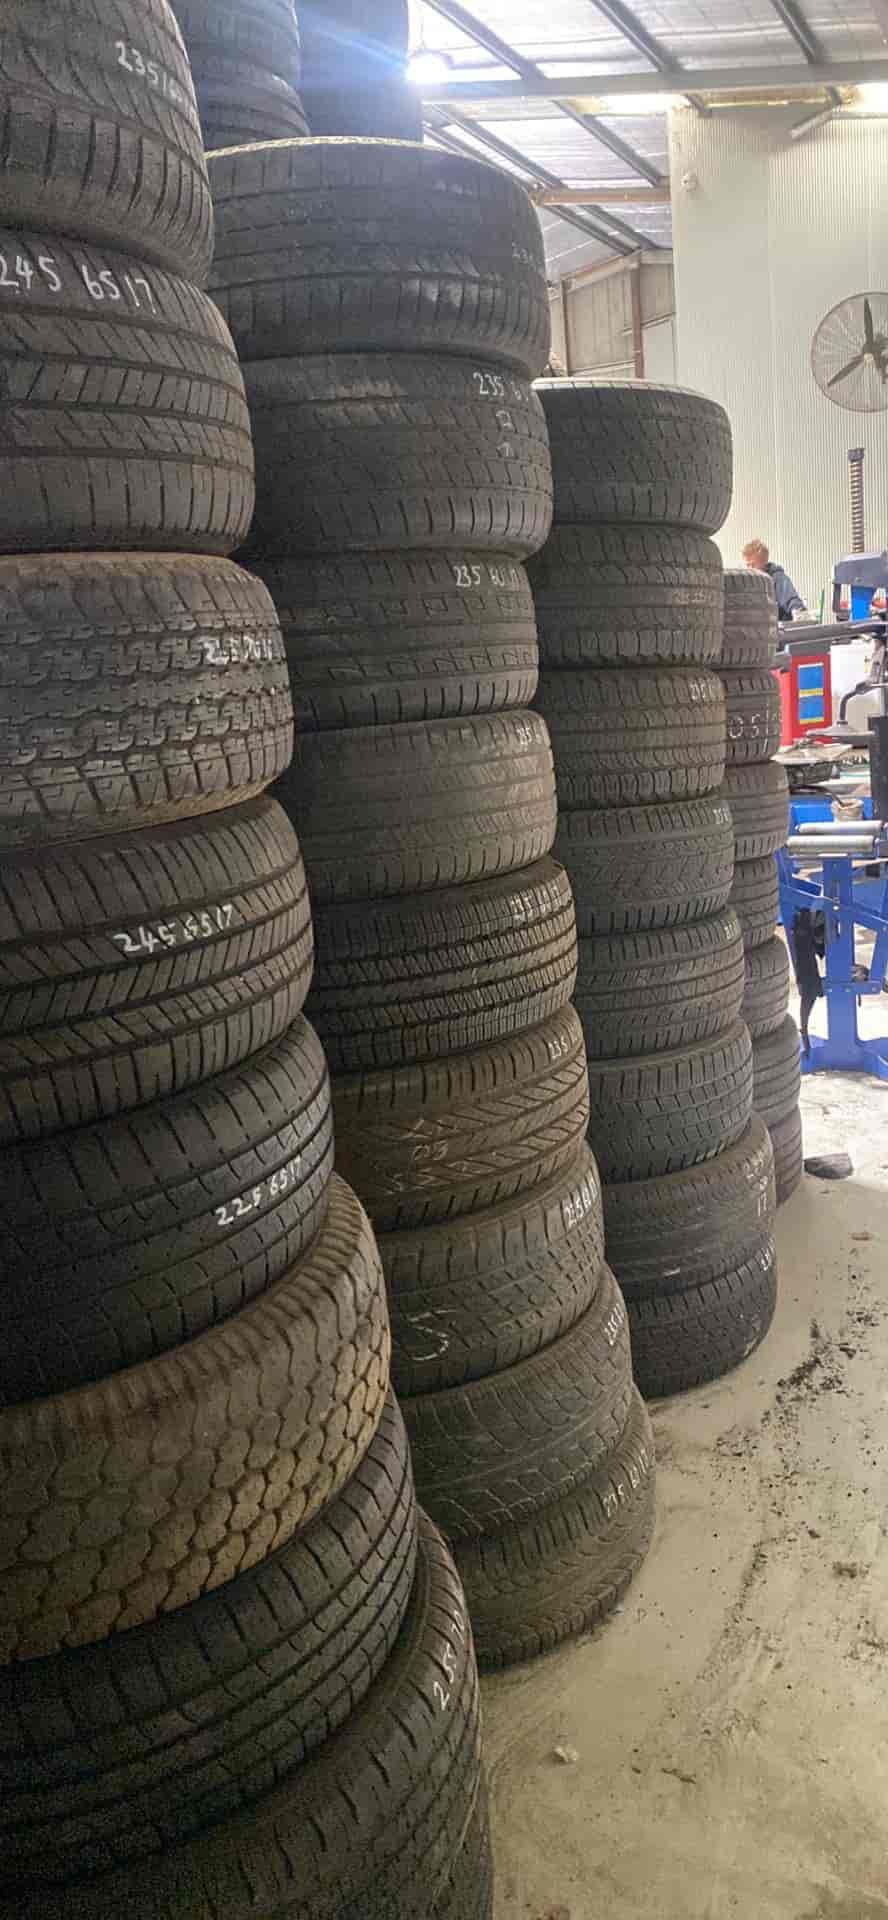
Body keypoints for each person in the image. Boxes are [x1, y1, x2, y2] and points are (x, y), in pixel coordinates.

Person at [742, 539, 806, 622]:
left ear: (764, 562)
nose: (749, 569)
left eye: (753, 565)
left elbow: (791, 600)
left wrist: (798, 612)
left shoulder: (777, 578)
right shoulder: (746, 582)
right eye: (747, 565)